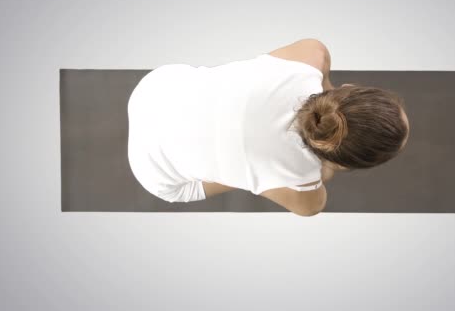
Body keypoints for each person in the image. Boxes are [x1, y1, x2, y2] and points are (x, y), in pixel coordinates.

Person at [127, 38, 409, 216]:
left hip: (155, 89)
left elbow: (318, 73)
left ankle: (249, 166)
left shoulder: (312, 55)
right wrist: (323, 166)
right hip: (153, 172)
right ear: (345, 163)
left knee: (254, 155)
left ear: (350, 88)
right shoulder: (305, 190)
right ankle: (251, 172)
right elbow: (317, 194)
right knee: (265, 176)